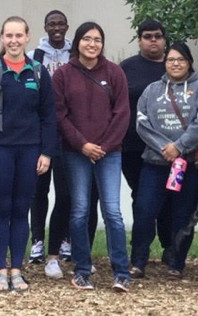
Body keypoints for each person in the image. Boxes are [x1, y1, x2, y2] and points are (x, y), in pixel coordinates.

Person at [0, 16, 57, 292]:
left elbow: (48, 116)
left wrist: (47, 152)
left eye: (19, 35)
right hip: (0, 151)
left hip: (30, 151)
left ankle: (17, 270)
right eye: (9, 36)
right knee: (2, 209)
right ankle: (0, 271)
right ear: (2, 38)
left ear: (28, 37)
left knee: (21, 210)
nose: (14, 41)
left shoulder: (39, 72)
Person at [52, 22, 131, 291]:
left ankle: (122, 272)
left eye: (97, 39)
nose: (92, 44)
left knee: (112, 212)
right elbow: (60, 116)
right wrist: (83, 145)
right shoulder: (63, 74)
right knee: (80, 211)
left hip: (110, 154)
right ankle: (82, 269)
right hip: (75, 153)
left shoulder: (115, 72)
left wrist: (104, 147)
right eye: (87, 39)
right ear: (77, 42)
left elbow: (122, 114)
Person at [131, 42, 198, 279]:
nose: (175, 64)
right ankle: (137, 261)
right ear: (164, 63)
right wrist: (163, 147)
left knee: (183, 214)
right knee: (144, 211)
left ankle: (176, 262)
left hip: (188, 165)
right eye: (170, 60)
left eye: (181, 60)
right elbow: (141, 122)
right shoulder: (152, 90)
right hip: (155, 164)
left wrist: (179, 147)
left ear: (189, 62)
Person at [28, 10, 93, 277]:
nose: (56, 27)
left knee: (65, 191)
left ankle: (64, 239)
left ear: (67, 26)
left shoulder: (75, 54)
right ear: (45, 27)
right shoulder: (35, 55)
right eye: (51, 23)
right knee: (39, 190)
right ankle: (38, 241)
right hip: (41, 130)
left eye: (60, 23)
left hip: (69, 130)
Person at [120, 19, 172, 260]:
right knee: (141, 196)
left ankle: (169, 245)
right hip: (132, 146)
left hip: (170, 148)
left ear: (164, 40)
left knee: (169, 196)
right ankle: (140, 250)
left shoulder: (175, 66)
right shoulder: (126, 68)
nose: (153, 40)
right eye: (148, 36)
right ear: (139, 40)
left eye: (158, 36)